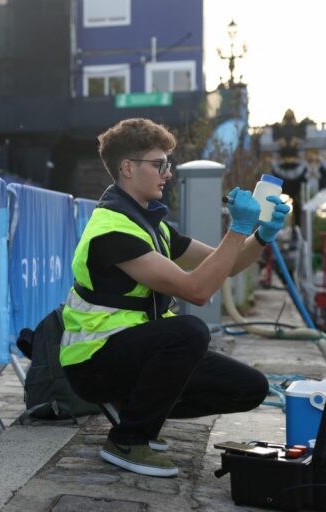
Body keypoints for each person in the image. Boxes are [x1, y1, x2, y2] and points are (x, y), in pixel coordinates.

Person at [60, 118, 290, 478]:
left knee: (251, 388)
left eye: (167, 164)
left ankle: (135, 411)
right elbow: (196, 291)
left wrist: (260, 236)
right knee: (190, 331)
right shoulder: (112, 229)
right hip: (93, 362)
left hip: (132, 355)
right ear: (127, 168)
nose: (167, 173)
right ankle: (128, 438)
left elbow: (224, 265)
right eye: (159, 164)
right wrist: (238, 229)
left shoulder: (151, 224)